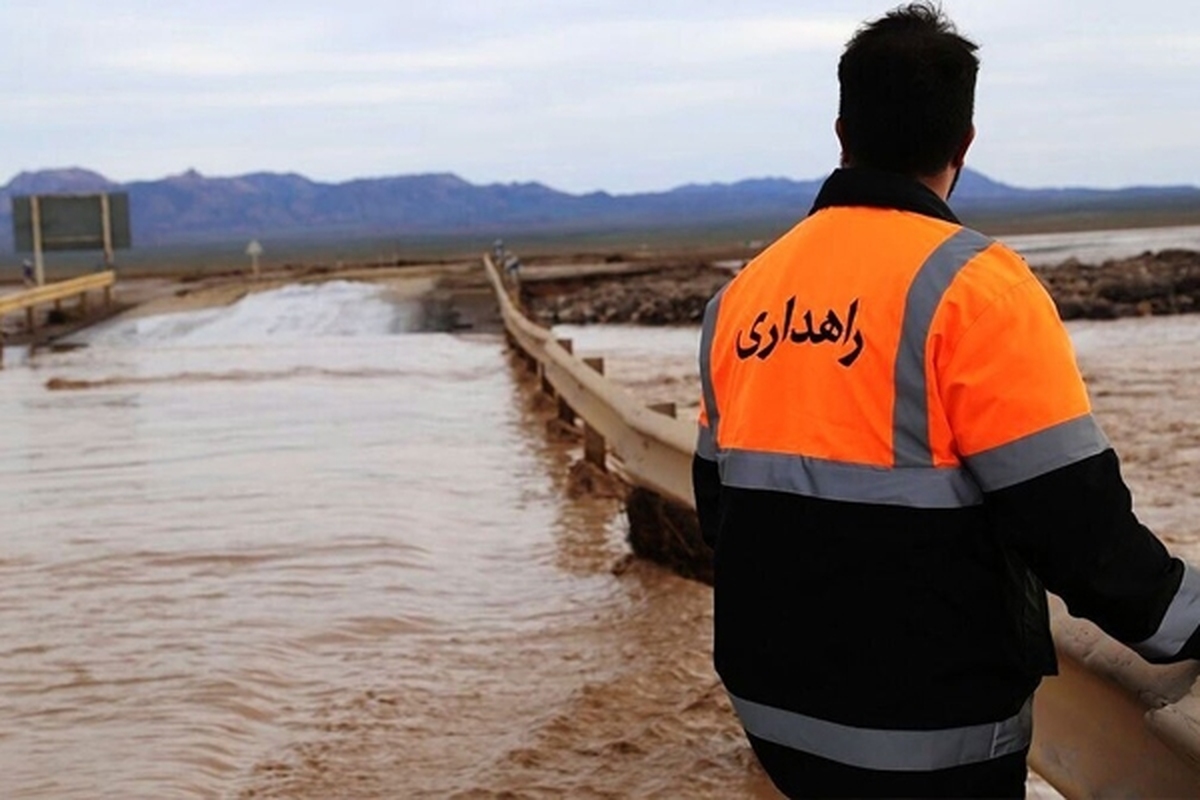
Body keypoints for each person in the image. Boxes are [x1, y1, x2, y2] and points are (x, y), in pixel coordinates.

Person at [692, 4, 1200, 798]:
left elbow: (720, 506)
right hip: (932, 740)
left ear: (840, 131)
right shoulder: (978, 288)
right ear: (963, 143)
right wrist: (1187, 622)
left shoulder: (741, 298)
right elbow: (1076, 528)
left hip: (776, 718)